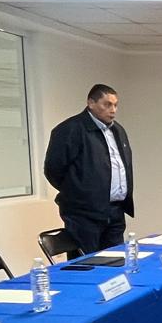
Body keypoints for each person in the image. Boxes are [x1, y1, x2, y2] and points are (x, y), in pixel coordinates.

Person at [44, 84, 134, 255]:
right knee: (86, 262)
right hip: (84, 213)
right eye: (107, 104)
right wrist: (80, 193)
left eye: (115, 105)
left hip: (115, 210)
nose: (113, 110)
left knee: (115, 261)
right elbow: (53, 170)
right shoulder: (70, 129)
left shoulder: (118, 130)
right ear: (91, 103)